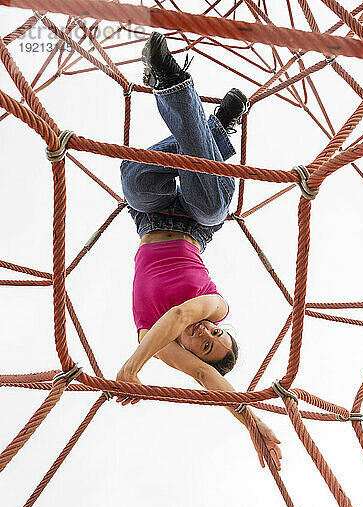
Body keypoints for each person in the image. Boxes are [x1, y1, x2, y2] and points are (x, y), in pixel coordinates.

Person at [116, 32, 282, 470]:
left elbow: (207, 378)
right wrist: (133, 367)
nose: (207, 334)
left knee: (133, 181)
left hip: (148, 215)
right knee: (212, 204)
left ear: (192, 354)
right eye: (217, 334)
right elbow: (179, 316)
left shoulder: (162, 345)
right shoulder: (215, 305)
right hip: (198, 217)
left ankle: (214, 132)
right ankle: (179, 91)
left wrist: (251, 424)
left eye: (205, 345)